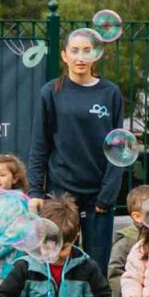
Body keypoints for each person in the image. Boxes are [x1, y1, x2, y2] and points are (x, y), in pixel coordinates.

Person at [31, 28, 129, 262]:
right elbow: (39, 145)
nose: (80, 57)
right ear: (64, 55)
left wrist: (107, 195)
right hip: (60, 195)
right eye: (74, 51)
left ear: (97, 55)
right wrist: (35, 192)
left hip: (98, 196)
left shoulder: (110, 93)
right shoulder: (51, 92)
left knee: (96, 266)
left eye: (87, 51)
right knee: (57, 261)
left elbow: (120, 147)